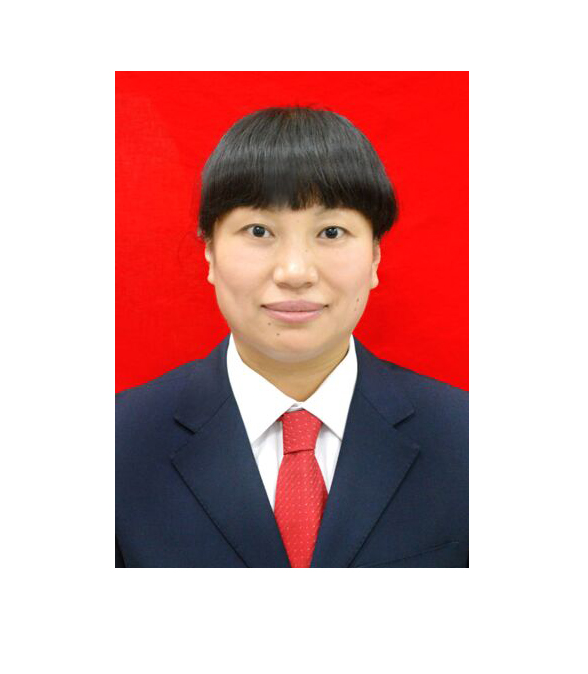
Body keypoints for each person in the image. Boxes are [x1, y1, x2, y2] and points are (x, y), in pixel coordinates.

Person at [116, 106, 468, 568]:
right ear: (210, 252)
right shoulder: (117, 442)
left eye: (331, 231)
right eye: (259, 230)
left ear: (375, 256)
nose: (295, 272)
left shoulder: (467, 438)